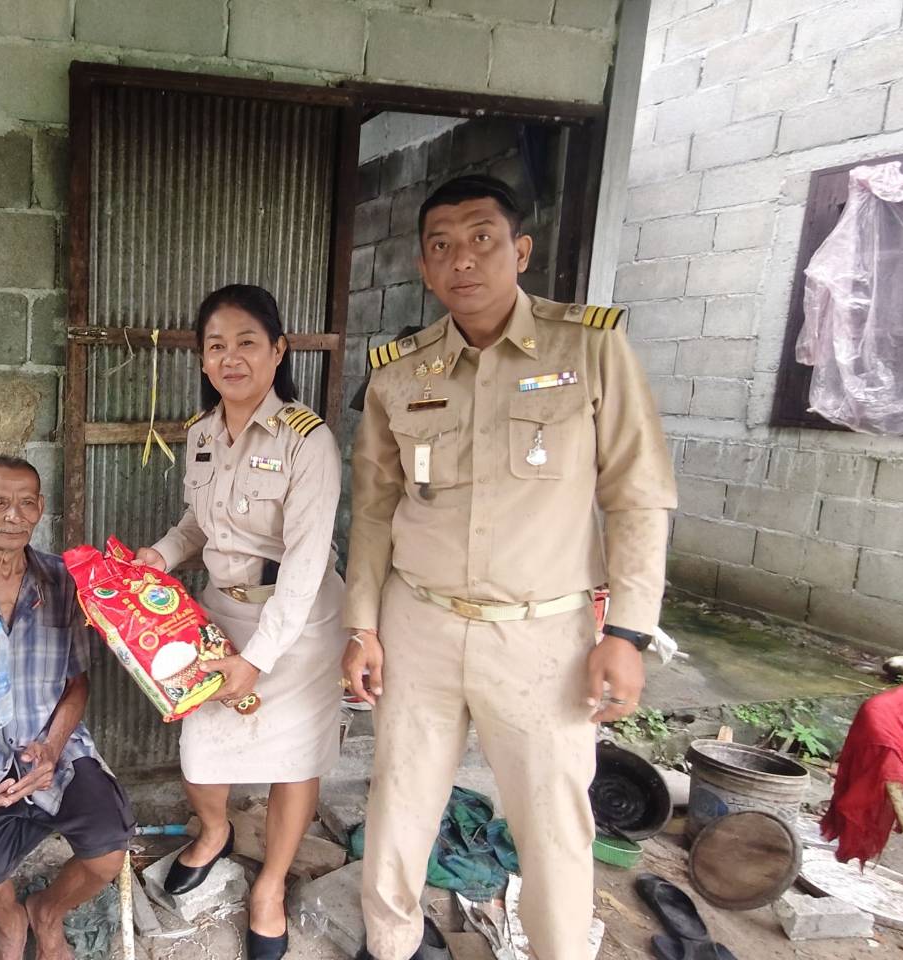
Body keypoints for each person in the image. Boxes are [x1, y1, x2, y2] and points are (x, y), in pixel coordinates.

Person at [342, 174, 677, 960]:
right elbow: (374, 510)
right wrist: (362, 626)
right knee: (399, 804)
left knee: (555, 824)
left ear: (520, 250)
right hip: (418, 623)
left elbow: (637, 495)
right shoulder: (401, 371)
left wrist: (628, 633)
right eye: (441, 245)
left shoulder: (589, 348)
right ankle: (390, 945)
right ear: (425, 268)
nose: (463, 258)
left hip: (542, 634)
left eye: (482, 238)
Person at [133, 283, 344, 960]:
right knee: (201, 750)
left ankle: (270, 888)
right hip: (221, 618)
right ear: (201, 358)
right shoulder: (201, 434)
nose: (231, 357)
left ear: (278, 351)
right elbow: (199, 524)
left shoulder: (308, 442)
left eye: (247, 342)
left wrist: (259, 659)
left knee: (294, 760)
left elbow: (306, 565)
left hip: (299, 626)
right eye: (216, 345)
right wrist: (160, 556)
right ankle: (215, 831)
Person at [0, 455, 135, 960]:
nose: (13, 516)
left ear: (41, 509)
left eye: (26, 503)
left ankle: (47, 913)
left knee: (108, 852)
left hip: (54, 748)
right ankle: (11, 928)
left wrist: (51, 748)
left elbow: (77, 683)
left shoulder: (64, 582)